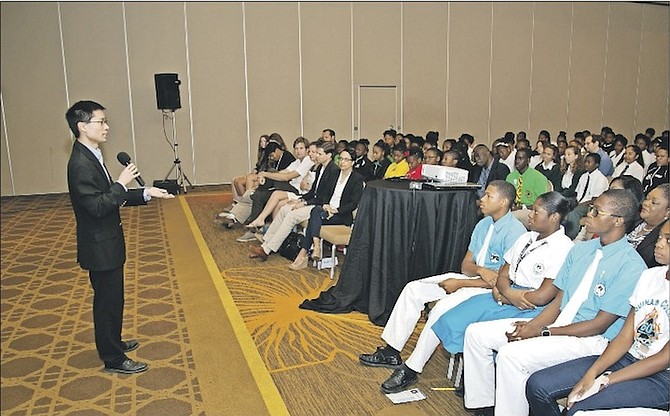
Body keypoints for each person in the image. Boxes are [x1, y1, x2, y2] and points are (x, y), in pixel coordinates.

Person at [462, 189, 646, 416]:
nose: (588, 214)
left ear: (618, 221)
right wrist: (533, 327)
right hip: (558, 325)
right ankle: (486, 407)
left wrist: (544, 332)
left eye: (597, 212)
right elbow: (558, 301)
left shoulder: (632, 266)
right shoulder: (581, 250)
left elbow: (599, 325)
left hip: (591, 339)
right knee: (476, 334)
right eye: (591, 208)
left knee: (511, 355)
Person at [358, 181, 526, 394]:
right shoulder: (483, 224)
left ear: (503, 202)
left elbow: (500, 281)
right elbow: (465, 266)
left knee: (440, 310)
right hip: (474, 278)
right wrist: (480, 271)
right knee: (413, 289)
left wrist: (461, 283)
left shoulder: (515, 232)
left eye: (488, 196)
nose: (481, 199)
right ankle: (391, 351)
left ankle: (411, 368)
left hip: (488, 291)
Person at [65, 100, 175, 374]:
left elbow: (110, 198)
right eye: (100, 122)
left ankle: (113, 342)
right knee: (107, 303)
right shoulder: (80, 163)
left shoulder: (92, 153)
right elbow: (98, 206)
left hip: (107, 243)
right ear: (82, 126)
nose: (106, 127)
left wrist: (147, 192)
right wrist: (120, 183)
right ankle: (113, 359)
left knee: (114, 300)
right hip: (99, 246)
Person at [526, 220, 670, 416]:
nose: (659, 244)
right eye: (660, 237)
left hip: (661, 377)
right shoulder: (650, 276)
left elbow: (663, 359)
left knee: (580, 408)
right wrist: (592, 374)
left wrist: (606, 379)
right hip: (627, 357)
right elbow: (625, 337)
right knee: (538, 385)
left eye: (668, 240)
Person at [432, 192, 574, 356]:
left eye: (536, 211)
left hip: (530, 305)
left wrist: (506, 296)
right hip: (508, 292)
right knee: (451, 320)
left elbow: (543, 296)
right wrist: (506, 293)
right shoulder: (526, 237)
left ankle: (482, 367)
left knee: (476, 331)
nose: (530, 214)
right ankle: (471, 360)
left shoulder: (563, 248)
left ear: (554, 217)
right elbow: (504, 273)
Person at [248, 142, 338, 261]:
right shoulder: (321, 167)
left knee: (292, 216)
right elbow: (312, 192)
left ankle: (267, 250)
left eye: (319, 153)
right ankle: (265, 244)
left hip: (320, 207)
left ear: (329, 155)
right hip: (312, 201)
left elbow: (324, 198)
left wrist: (303, 203)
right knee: (284, 209)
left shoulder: (333, 171)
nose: (316, 155)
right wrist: (300, 200)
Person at [289, 149, 364, 270]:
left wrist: (336, 210)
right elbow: (324, 194)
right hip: (326, 211)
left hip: (341, 215)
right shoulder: (335, 174)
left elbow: (353, 204)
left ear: (353, 162)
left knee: (314, 216)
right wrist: (325, 205)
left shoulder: (357, 179)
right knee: (316, 212)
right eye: (341, 158)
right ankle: (315, 246)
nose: (342, 162)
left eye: (346, 159)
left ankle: (306, 253)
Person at [564, 153, 610, 239]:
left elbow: (596, 199)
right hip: (580, 200)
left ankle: (570, 236)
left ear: (596, 165)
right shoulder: (584, 176)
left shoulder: (600, 179)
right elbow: (578, 193)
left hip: (591, 205)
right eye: (585, 162)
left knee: (575, 212)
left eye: (589, 162)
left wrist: (581, 204)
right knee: (563, 204)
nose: (586, 164)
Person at [626, 184, 669, 268]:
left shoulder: (663, 239)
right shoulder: (633, 220)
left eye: (654, 202)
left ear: (668, 212)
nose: (645, 203)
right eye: (647, 198)